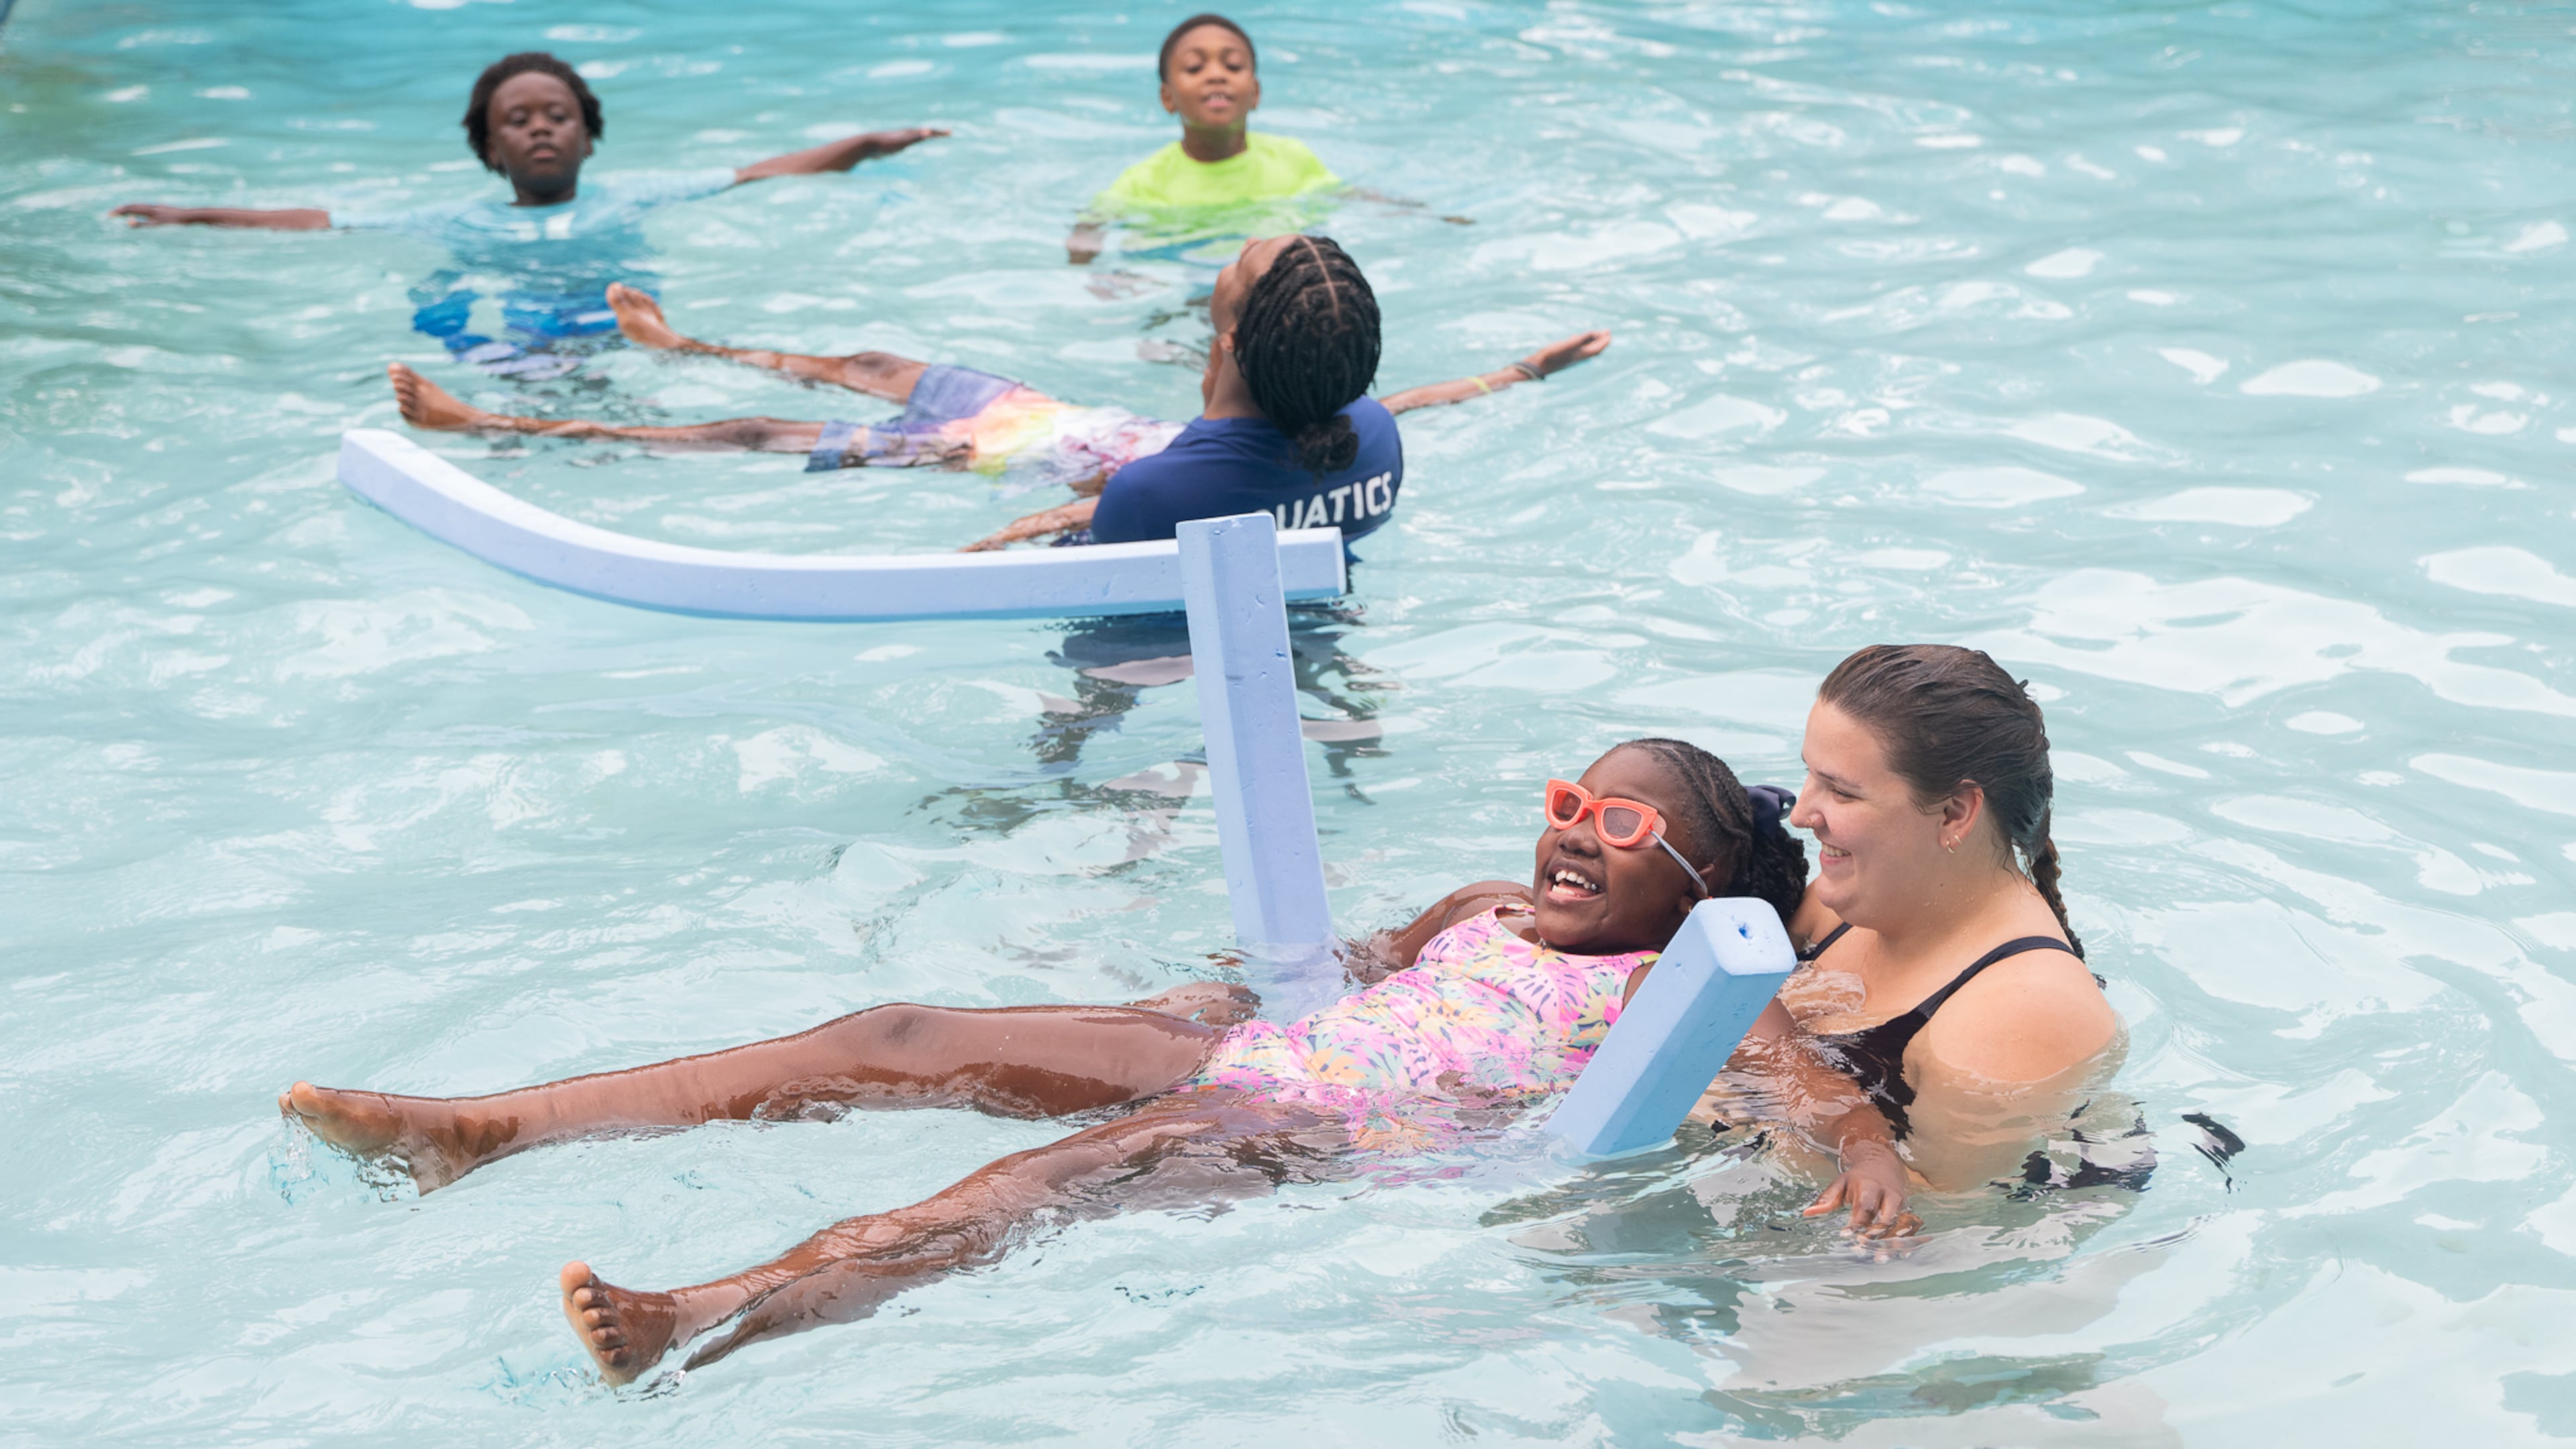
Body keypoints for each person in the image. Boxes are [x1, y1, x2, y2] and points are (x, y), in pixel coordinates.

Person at [278, 738, 1911, 1383]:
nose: (1569, 834)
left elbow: (1797, 1085)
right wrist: (1160, 1004)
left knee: (1033, 1185)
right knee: (891, 1037)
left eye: (1622, 826)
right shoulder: (1483, 905)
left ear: (1700, 888)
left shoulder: (1680, 987)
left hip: (1328, 1129)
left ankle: (706, 1311)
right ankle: (488, 1128)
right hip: (1261, 1050)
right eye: (1567, 797)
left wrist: (1861, 1153)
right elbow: (1334, 969)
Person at [381, 233, 1612, 551]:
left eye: (1232, 272)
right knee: (877, 363)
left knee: (775, 432)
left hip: (1064, 458)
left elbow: (1091, 521)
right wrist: (1510, 374)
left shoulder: (1158, 489)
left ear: (1226, 330)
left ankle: (489, 421)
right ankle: (682, 344)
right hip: (1110, 434)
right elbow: (1415, 402)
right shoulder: (1372, 425)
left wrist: (999, 536)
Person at [112, 52, 944, 376]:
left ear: (589, 137)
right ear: (489, 149)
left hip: (619, 318)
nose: (540, 126)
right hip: (509, 318)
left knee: (626, 359)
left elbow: (763, 173)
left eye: (558, 114)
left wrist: (864, 144)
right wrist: (195, 216)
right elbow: (317, 220)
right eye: (518, 120)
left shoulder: (637, 194)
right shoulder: (457, 219)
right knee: (471, 335)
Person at [1762, 645, 2125, 1196]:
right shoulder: (1845, 902)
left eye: (1840, 791)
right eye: (1810, 776)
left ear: (1956, 812)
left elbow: (1939, 1231)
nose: (1802, 813)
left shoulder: (2019, 1014)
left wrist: (1765, 1067)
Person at [1065, 14, 1465, 266]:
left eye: (1233, 64)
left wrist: (1425, 212)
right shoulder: (1145, 179)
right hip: (1182, 275)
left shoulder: (1292, 159)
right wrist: (1091, 263)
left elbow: (1349, 194)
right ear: (1168, 98)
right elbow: (1093, 221)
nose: (1216, 74)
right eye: (1195, 66)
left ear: (1255, 92)